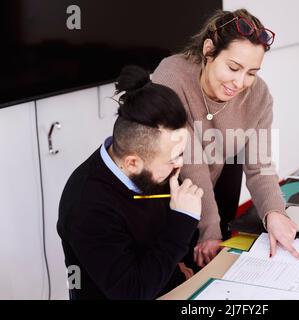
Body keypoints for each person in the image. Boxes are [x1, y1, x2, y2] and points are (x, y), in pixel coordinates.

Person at [152, 9, 299, 268]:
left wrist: (274, 213)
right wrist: (210, 230)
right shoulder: (171, 78)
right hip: (164, 195)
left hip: (216, 177)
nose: (240, 82)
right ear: (209, 50)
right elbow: (191, 163)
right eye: (233, 67)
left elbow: (260, 165)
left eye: (252, 72)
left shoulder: (259, 96)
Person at [57, 65, 204, 299]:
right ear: (133, 163)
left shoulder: (153, 169)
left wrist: (178, 267)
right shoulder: (86, 206)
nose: (180, 164)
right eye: (173, 157)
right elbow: (131, 292)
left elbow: (166, 244)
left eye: (181, 152)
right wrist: (182, 221)